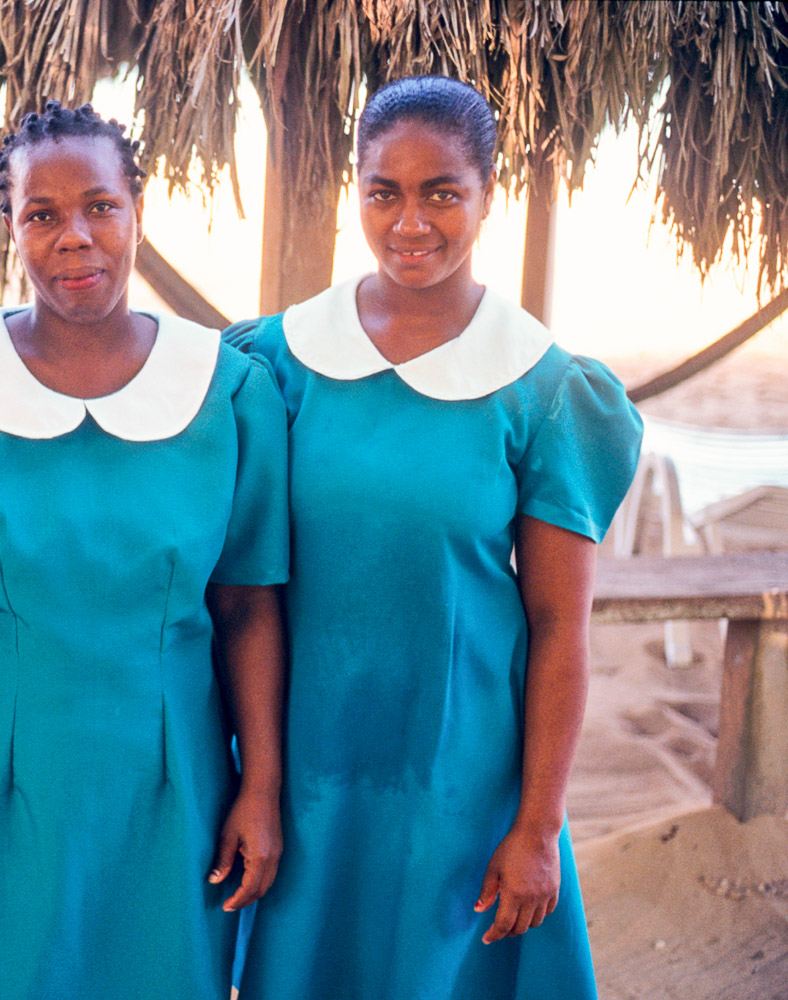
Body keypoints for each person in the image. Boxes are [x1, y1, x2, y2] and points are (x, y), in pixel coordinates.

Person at [0, 102, 288, 1000]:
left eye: (100, 207)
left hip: (171, 793)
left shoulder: (230, 394)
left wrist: (261, 786)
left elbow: (248, 607)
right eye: (41, 214)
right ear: (10, 225)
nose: (74, 237)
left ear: (138, 212)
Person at [227, 75, 643, 1000]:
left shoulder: (543, 389)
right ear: (357, 190)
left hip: (461, 783)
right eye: (385, 191)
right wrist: (254, 778)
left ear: (487, 196)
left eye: (441, 192)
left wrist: (537, 827)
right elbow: (241, 594)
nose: (410, 221)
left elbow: (558, 627)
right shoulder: (279, 362)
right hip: (305, 778)